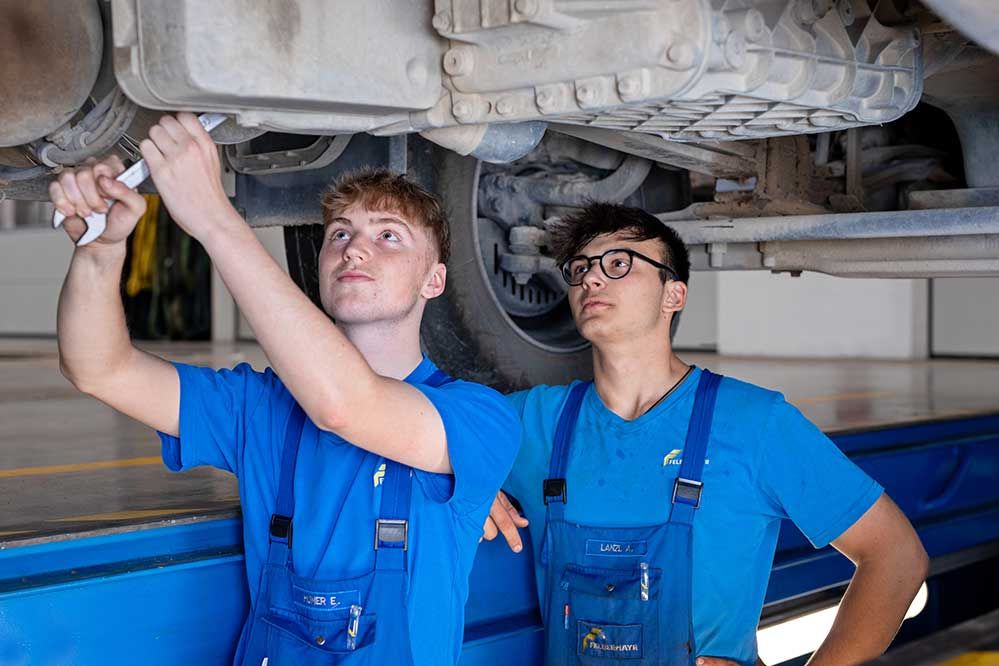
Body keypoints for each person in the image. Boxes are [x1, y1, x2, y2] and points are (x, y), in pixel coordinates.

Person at [50, 113, 520, 666]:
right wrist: (101, 251)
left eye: (388, 235)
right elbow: (99, 368)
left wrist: (216, 220)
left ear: (433, 280)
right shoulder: (260, 408)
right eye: (340, 234)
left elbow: (344, 406)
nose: (354, 249)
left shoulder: (480, 418)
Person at [483, 202, 928, 666]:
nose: (591, 280)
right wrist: (467, 478)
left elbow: (896, 556)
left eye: (619, 264)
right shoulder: (534, 421)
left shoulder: (754, 423)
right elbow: (416, 426)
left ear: (673, 295)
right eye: (580, 269)